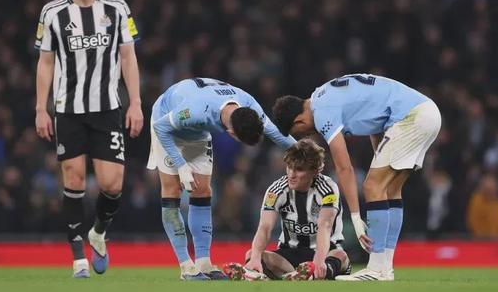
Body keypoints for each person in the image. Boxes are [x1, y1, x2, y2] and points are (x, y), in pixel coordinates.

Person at [35, 0, 144, 278]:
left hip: (107, 109)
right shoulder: (52, 12)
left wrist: (135, 102)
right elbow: (45, 62)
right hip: (68, 111)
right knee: (74, 180)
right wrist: (41, 108)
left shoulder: (117, 7)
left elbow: (128, 58)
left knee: (112, 185)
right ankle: (77, 258)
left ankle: (98, 232)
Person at [272, 74, 441, 281]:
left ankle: (375, 269)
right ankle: (384, 267)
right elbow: (376, 124)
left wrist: (355, 216)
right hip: (425, 112)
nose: (306, 136)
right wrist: (379, 156)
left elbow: (344, 168)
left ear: (299, 121)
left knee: (372, 186)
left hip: (410, 117)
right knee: (389, 189)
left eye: (300, 133)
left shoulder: (322, 112)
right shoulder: (323, 95)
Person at [148, 77, 296, 280]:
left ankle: (204, 262)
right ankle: (186, 266)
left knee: (202, 190)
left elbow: (277, 134)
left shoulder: (249, 105)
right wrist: (181, 165)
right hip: (167, 122)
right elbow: (161, 127)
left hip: (197, 131)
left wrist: (307, 152)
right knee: (172, 190)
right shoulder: (195, 110)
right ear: (232, 134)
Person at [223, 138, 350, 281]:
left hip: (325, 252)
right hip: (290, 254)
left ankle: (304, 274)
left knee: (341, 255)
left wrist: (319, 261)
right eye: (289, 167)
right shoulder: (277, 190)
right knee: (252, 254)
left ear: (315, 171)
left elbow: (325, 226)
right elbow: (265, 227)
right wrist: (256, 258)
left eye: (299, 169)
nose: (291, 175)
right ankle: (271, 273)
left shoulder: (328, 189)